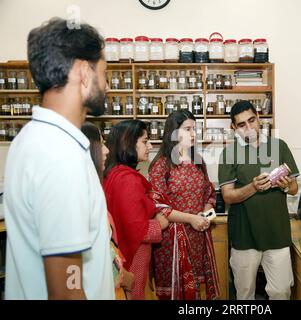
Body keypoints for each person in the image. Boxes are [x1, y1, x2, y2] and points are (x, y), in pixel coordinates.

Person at [4, 18, 114, 300]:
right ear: (83, 72)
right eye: (104, 74)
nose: (108, 86)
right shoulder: (61, 156)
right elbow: (67, 291)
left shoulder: (29, 139)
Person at [218, 101, 300, 300]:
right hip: (244, 236)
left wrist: (285, 185)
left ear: (259, 118)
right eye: (241, 124)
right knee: (245, 294)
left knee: (281, 291)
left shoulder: (279, 146)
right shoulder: (229, 153)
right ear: (234, 128)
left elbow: (294, 188)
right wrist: (253, 187)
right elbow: (227, 195)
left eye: (252, 120)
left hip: (277, 234)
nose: (249, 128)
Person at [148, 110, 220, 300]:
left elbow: (209, 193)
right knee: (175, 293)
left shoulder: (198, 161)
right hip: (171, 241)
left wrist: (205, 214)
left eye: (194, 129)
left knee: (195, 292)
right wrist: (191, 219)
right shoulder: (161, 165)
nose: (194, 134)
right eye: (188, 129)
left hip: (197, 236)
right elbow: (159, 206)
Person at [103, 120, 170, 300]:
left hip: (125, 255)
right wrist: (160, 223)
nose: (150, 146)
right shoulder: (127, 180)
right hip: (133, 256)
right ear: (129, 144)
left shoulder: (116, 173)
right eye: (145, 141)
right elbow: (137, 230)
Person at [80, 122, 135, 300]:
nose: (106, 151)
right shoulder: (79, 196)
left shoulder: (91, 188)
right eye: (99, 144)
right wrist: (125, 276)